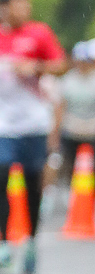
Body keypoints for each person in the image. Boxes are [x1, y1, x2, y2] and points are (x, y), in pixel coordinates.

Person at [0, 0, 66, 274]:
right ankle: (3, 243)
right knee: (0, 174)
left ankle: (31, 240)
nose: (26, 8)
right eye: (20, 3)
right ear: (3, 7)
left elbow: (60, 65)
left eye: (27, 3)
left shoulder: (39, 33)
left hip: (33, 119)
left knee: (32, 184)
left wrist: (34, 67)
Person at [52, 39, 95, 184]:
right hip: (71, 130)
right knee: (69, 166)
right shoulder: (67, 81)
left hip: (92, 130)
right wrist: (55, 134)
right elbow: (60, 108)